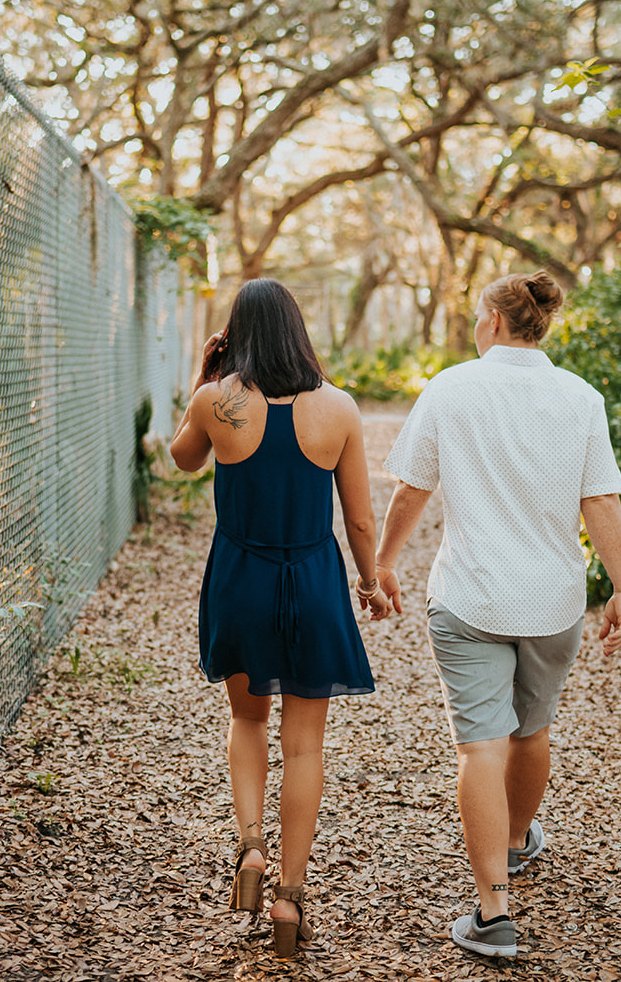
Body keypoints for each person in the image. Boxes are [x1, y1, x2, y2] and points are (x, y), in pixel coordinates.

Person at [373, 270, 621, 959]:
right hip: (554, 601)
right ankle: (517, 840)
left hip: (470, 597)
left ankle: (493, 912)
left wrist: (383, 562)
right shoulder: (580, 398)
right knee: (532, 728)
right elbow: (601, 501)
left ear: (492, 319)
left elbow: (411, 489)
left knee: (479, 746)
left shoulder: (452, 388)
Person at [170, 278, 392, 958]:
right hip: (314, 583)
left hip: (241, 581)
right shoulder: (339, 407)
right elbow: (357, 516)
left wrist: (203, 378)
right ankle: (291, 895)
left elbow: (181, 459)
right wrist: (372, 581)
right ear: (297, 330)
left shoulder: (219, 401)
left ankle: (251, 847)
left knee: (246, 718)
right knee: (304, 744)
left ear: (237, 333)